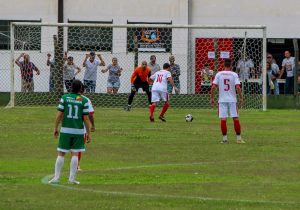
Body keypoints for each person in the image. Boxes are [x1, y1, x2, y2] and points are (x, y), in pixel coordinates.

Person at [48, 80, 91, 185]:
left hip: (66, 130)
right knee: (75, 154)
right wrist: (89, 133)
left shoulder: (64, 98)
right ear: (81, 89)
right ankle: (71, 179)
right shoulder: (84, 100)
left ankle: (56, 178)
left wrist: (55, 127)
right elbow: (86, 118)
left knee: (61, 153)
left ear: (71, 87)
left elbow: (59, 114)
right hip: (78, 131)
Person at [210, 59, 244, 144]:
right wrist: (241, 98)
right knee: (235, 118)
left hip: (222, 100)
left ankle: (225, 139)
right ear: (231, 65)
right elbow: (238, 87)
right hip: (232, 100)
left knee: (223, 119)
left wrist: (212, 98)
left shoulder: (219, 74)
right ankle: (239, 139)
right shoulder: (234, 74)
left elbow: (213, 87)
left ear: (224, 65)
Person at [77, 85, 95, 171]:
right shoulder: (85, 100)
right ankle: (77, 166)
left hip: (68, 127)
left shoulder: (66, 98)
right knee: (78, 148)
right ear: (83, 91)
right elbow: (90, 114)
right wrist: (93, 125)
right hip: (81, 128)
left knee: (63, 150)